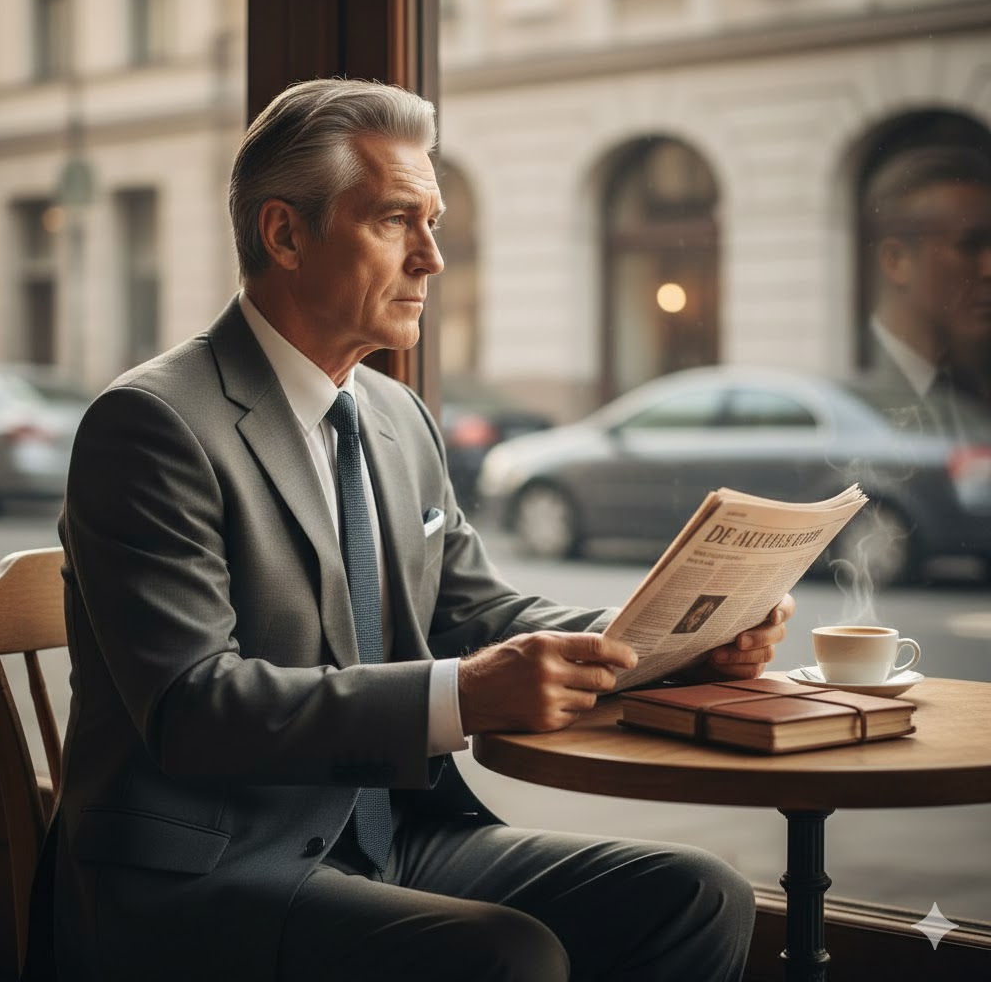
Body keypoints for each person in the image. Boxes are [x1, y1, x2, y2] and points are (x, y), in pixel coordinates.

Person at [41, 78, 793, 982]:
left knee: (702, 895)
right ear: (284, 234)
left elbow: (475, 611)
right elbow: (195, 709)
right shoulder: (150, 425)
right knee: (506, 955)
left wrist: (669, 642)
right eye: (398, 219)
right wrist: (462, 698)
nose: (433, 258)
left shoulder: (396, 417)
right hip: (199, 877)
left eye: (434, 221)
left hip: (390, 834)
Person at [858, 144, 991, 435]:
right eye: (969, 245)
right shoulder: (852, 380)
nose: (988, 269)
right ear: (896, 261)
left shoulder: (969, 384)